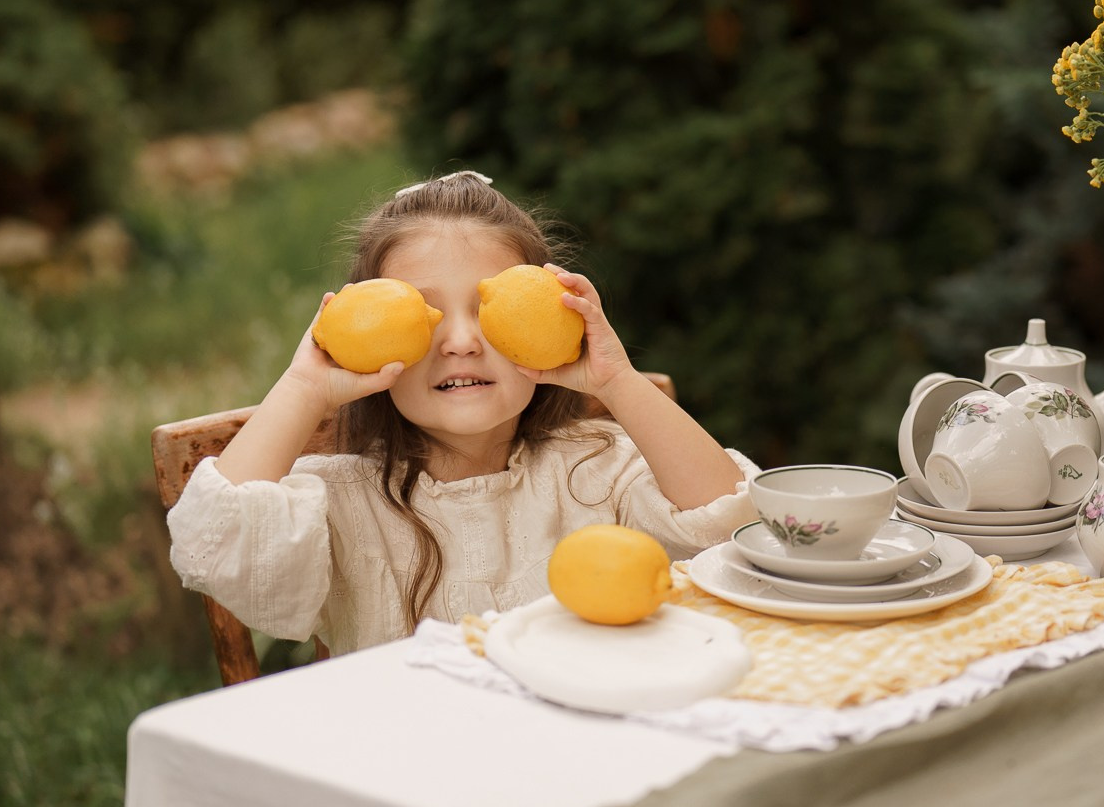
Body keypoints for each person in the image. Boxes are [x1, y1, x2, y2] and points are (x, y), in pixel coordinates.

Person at [166, 170, 756, 653]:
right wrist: (303, 387)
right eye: (421, 313)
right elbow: (215, 553)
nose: (460, 340)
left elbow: (733, 530)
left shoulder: (595, 470)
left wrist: (618, 382)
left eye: (489, 309)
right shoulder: (338, 501)